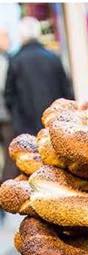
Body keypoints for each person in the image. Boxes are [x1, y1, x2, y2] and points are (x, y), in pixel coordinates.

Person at [4, 17, 72, 136]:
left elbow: (9, 96)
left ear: (21, 36)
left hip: (26, 128)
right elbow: (66, 91)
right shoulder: (53, 58)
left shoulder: (15, 61)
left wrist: (17, 120)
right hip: (54, 124)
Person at [0, 27, 16, 189]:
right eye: (5, 37)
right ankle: (5, 188)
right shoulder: (6, 60)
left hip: (5, 114)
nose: (8, 40)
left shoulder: (9, 58)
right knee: (8, 154)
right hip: (5, 115)